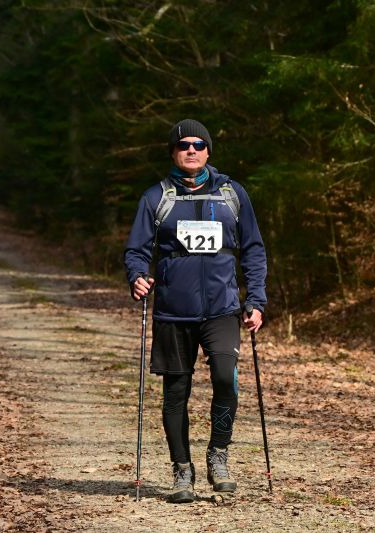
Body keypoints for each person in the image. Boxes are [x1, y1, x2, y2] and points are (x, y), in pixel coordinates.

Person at [124, 118, 267, 503]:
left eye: (199, 144)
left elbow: (253, 249)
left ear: (208, 151)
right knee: (176, 393)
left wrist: (255, 299)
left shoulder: (232, 194)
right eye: (184, 144)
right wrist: (137, 276)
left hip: (223, 308)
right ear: (173, 152)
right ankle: (182, 470)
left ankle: (218, 455)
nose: (191, 150)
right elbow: (137, 250)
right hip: (173, 311)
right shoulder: (156, 197)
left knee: (225, 378)